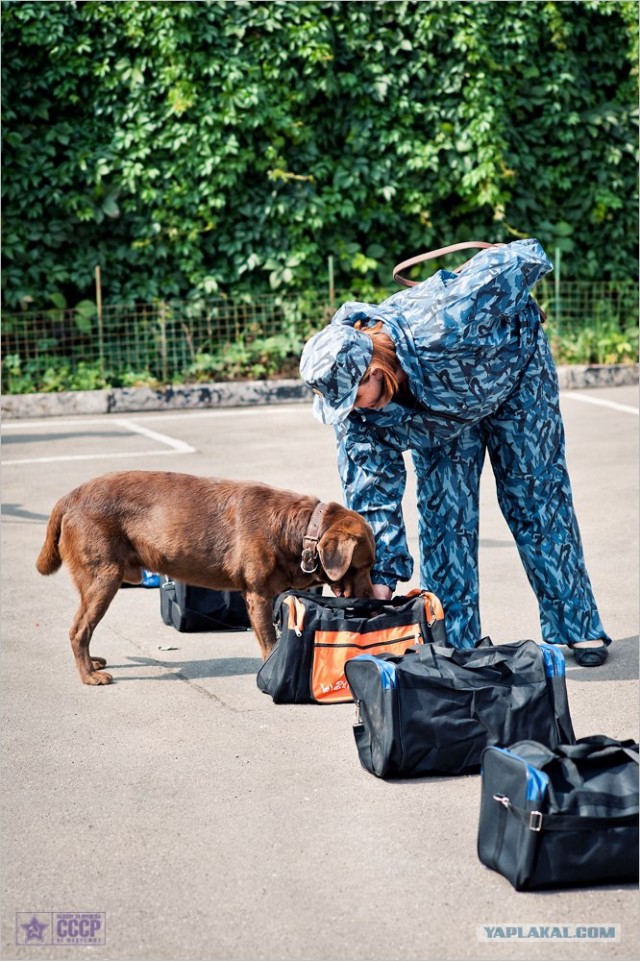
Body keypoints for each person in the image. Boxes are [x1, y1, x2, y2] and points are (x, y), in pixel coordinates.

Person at [299, 238, 610, 666]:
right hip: (442, 421)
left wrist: (500, 292)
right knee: (445, 520)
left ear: (375, 370)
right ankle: (456, 644)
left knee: (538, 501)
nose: (352, 409)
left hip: (516, 379)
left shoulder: (442, 319)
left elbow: (526, 255)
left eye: (355, 396)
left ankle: (578, 627)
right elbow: (372, 494)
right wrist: (379, 582)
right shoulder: (357, 415)